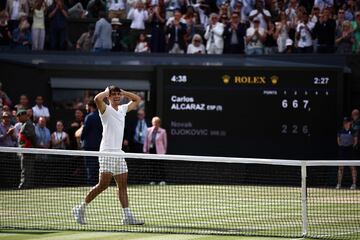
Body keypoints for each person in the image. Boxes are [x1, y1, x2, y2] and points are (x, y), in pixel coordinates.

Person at [72, 86, 144, 225]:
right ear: (109, 97)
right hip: (106, 152)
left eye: (118, 94)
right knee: (103, 185)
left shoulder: (123, 109)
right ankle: (80, 208)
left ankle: (127, 216)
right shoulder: (104, 109)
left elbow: (137, 99)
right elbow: (97, 98)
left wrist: (123, 92)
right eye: (114, 95)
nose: (117, 96)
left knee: (122, 185)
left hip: (119, 153)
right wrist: (107, 91)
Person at [81, 100, 102, 185]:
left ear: (90, 106)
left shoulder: (89, 117)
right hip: (99, 145)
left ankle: (90, 184)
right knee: (98, 166)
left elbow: (85, 130)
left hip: (89, 146)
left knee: (90, 166)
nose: (86, 108)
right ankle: (98, 185)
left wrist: (81, 139)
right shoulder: (101, 116)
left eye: (86, 106)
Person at [143, 116, 167, 185]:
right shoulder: (148, 130)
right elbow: (146, 141)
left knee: (160, 166)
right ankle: (153, 180)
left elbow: (165, 142)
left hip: (160, 152)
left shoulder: (163, 131)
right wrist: (145, 150)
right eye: (154, 123)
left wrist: (164, 152)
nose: (155, 124)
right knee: (152, 166)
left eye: (156, 123)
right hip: (151, 150)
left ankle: (162, 180)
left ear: (159, 124)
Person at [336, 117, 358, 190]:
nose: (345, 124)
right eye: (344, 122)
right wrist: (343, 146)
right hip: (342, 151)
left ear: (350, 123)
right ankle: (339, 184)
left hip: (350, 151)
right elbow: (338, 141)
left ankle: (354, 184)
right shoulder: (340, 131)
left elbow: (355, 141)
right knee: (340, 168)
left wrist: (350, 146)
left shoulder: (353, 131)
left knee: (353, 168)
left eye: (347, 122)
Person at [17, 109, 37, 189]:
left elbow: (32, 137)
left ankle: (24, 186)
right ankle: (26, 185)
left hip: (28, 151)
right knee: (26, 169)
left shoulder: (28, 124)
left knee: (26, 169)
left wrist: (29, 147)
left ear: (24, 116)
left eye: (19, 117)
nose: (18, 119)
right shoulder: (25, 124)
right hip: (25, 151)